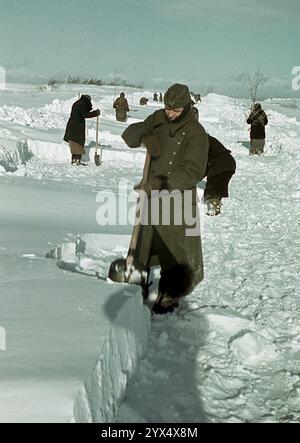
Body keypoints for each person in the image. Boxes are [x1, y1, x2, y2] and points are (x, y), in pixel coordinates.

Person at [122, 83, 208, 314]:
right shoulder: (159, 118)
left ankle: (171, 292)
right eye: (167, 108)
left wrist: (162, 183)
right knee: (145, 244)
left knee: (176, 250)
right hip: (152, 196)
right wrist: (142, 133)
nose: (170, 113)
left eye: (175, 110)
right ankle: (138, 284)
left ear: (187, 107)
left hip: (178, 198)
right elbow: (129, 137)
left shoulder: (196, 133)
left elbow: (193, 171)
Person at [192, 107, 236, 216]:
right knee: (216, 184)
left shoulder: (200, 140)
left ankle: (214, 209)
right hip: (227, 162)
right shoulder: (203, 138)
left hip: (222, 163)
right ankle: (215, 206)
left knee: (213, 187)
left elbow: (202, 165)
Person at [63, 94, 100, 165]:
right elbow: (85, 114)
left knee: (73, 142)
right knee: (79, 142)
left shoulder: (77, 103)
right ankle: (77, 160)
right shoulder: (82, 104)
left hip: (72, 125)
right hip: (77, 125)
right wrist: (95, 113)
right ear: (88, 100)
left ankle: (74, 159)